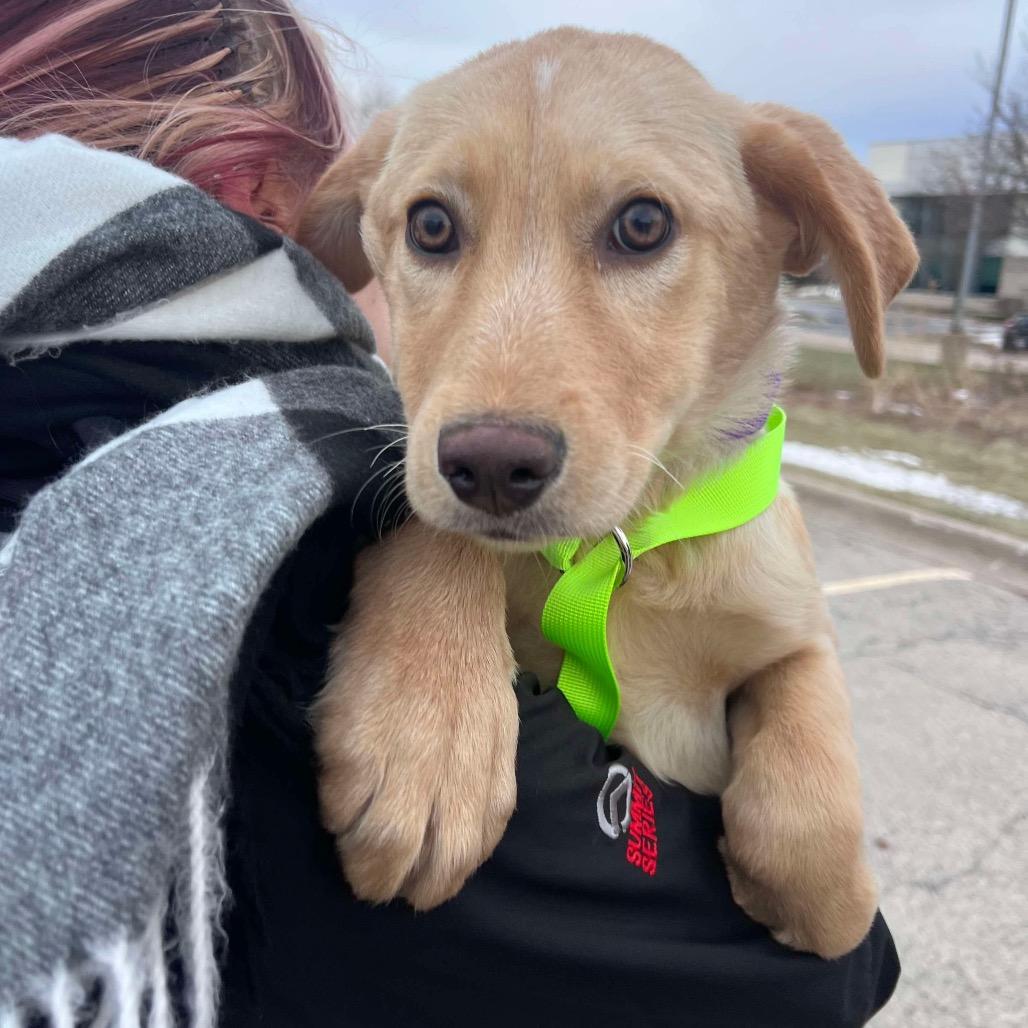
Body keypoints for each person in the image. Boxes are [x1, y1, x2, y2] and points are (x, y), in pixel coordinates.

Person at [0, 3, 900, 1026]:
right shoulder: (284, 508)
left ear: (782, 226)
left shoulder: (753, 523)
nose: (497, 409)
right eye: (436, 231)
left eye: (638, 228)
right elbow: (835, 977)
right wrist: (433, 561)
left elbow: (791, 653)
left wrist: (800, 749)